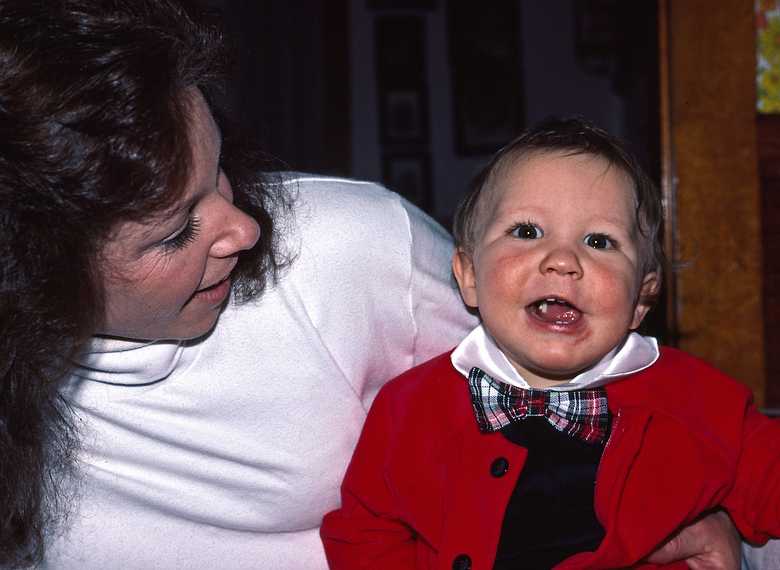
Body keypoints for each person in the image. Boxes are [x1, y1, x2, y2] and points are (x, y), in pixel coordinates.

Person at [0, 1, 744, 568]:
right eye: (174, 232)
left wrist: (676, 512)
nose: (244, 228)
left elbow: (586, 398)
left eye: (217, 167)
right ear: (30, 281)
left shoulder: (343, 247)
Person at [320, 118, 780, 569]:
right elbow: (367, 532)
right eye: (526, 232)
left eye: (599, 241)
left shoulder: (699, 401)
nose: (563, 260)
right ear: (469, 276)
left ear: (640, 300)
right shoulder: (409, 407)